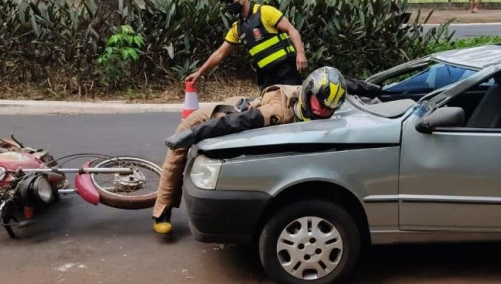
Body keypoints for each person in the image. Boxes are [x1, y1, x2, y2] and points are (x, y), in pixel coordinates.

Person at [152, 66, 381, 234]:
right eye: (318, 105)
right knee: (177, 152)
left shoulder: (320, 93)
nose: (321, 111)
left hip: (246, 105)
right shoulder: (277, 112)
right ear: (308, 93)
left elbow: (348, 85)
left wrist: (377, 90)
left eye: (328, 108)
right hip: (218, 116)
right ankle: (161, 210)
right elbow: (235, 123)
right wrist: (191, 134)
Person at [186, 0, 309, 90]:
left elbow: (292, 30)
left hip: (286, 69)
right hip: (267, 75)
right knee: (268, 111)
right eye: (226, 2)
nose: (228, 5)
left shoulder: (265, 12)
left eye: (231, 0)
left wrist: (300, 53)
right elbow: (219, 54)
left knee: (293, 106)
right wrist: (199, 73)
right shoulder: (237, 28)